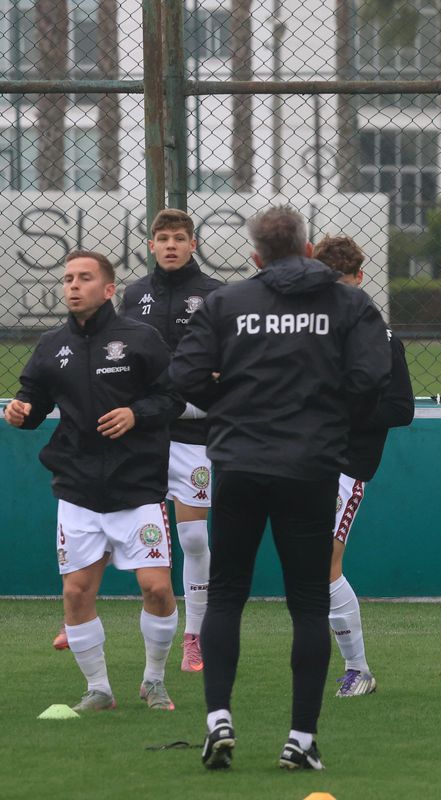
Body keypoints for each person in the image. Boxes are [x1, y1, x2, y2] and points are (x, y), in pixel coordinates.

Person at [170, 207, 391, 771]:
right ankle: (301, 737)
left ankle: (218, 716)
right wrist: (323, 412)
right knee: (308, 604)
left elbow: (186, 377)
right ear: (309, 248)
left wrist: (235, 406)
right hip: (310, 466)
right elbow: (371, 379)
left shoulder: (227, 303)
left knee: (226, 594)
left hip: (240, 463)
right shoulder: (349, 303)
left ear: (256, 257)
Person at [4, 250, 183, 713]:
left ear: (108, 290)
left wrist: (134, 413)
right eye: (67, 278)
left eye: (84, 278)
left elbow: (173, 398)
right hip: (79, 489)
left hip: (137, 487)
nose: (73, 286)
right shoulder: (51, 345)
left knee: (157, 589)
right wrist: (21, 413)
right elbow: (33, 400)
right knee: (76, 591)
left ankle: (154, 680)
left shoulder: (141, 339)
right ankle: (99, 689)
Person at [116, 208, 223, 673]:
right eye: (163, 239)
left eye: (180, 238)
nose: (171, 245)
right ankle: (75, 610)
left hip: (194, 432)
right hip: (145, 429)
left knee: (194, 536)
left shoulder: (215, 295)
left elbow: (230, 358)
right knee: (118, 525)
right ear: (151, 245)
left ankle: (194, 638)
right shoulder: (135, 294)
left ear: (193, 244)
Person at [312, 235, 415, 698]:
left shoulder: (382, 338)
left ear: (359, 278)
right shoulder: (308, 332)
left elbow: (401, 408)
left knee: (323, 562)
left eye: (344, 281)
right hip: (302, 458)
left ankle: (359, 670)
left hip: (347, 464)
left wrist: (342, 412)